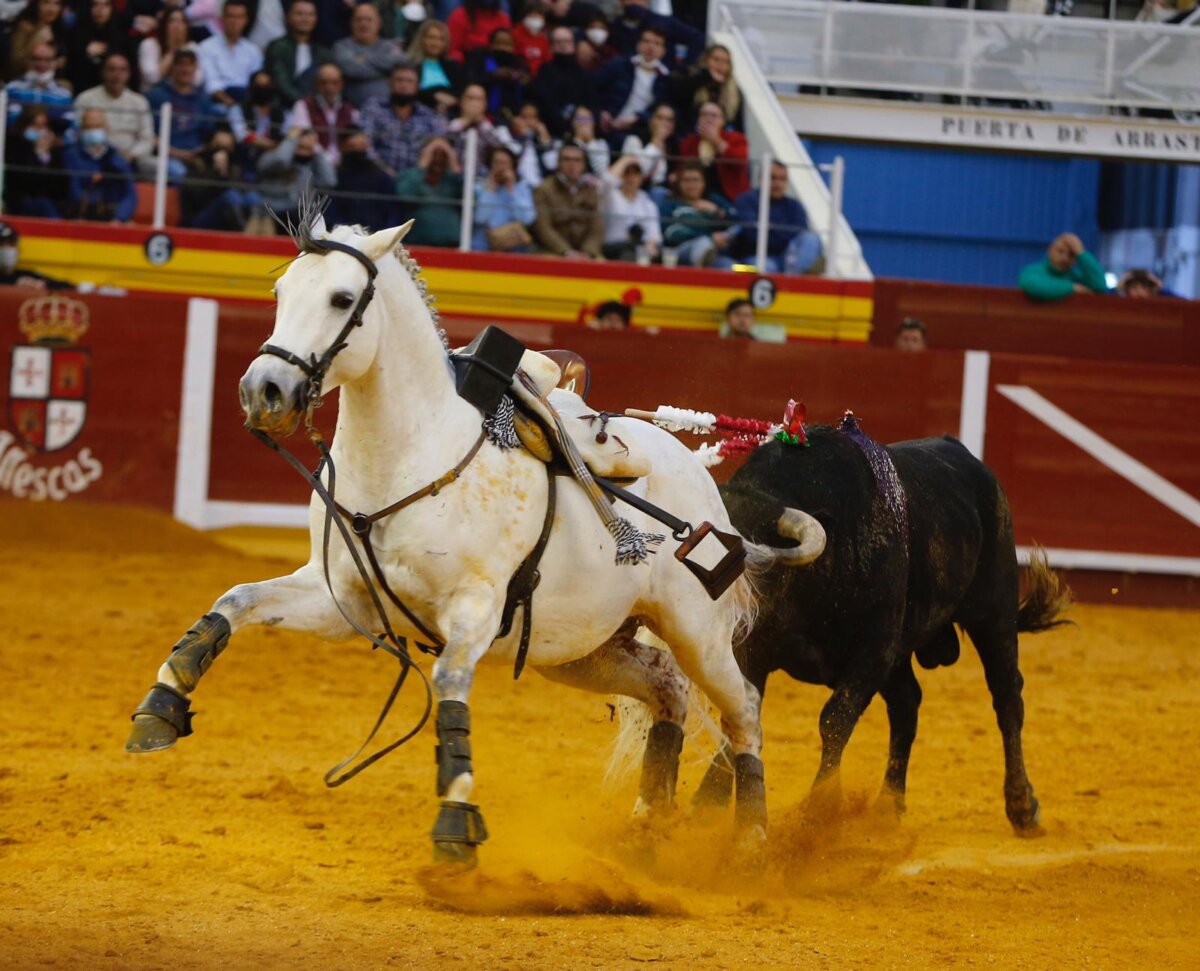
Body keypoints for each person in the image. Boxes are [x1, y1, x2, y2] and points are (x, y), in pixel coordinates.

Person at [715, 161, 822, 274]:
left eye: (782, 179)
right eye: (773, 178)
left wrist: (770, 230)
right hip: (747, 263)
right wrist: (783, 233)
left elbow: (800, 234)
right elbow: (752, 235)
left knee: (811, 238)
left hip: (786, 261)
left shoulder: (794, 206)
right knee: (764, 267)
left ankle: (794, 280)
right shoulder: (746, 201)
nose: (777, 183)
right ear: (761, 179)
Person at [359, 62, 448, 175]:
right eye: (399, 80)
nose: (404, 86)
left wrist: (418, 171)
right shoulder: (374, 107)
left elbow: (440, 140)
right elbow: (365, 142)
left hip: (417, 176)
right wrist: (385, 171)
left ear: (417, 86)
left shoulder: (427, 115)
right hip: (377, 174)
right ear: (390, 83)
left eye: (410, 81)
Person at [75, 53, 155, 170]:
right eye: (111, 69)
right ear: (103, 72)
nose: (117, 75)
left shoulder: (139, 102)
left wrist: (131, 154)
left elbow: (147, 139)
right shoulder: (85, 99)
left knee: (171, 169)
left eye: (122, 70)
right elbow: (76, 133)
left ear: (129, 74)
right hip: (95, 156)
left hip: (133, 158)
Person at [146, 50, 217, 180]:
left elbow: (209, 135)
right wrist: (177, 153)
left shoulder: (203, 99)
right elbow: (149, 135)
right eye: (181, 64)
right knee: (180, 173)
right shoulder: (156, 96)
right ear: (173, 67)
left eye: (190, 65)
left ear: (195, 68)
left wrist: (203, 152)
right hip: (167, 157)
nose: (185, 69)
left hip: (197, 157)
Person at [594, 26, 670, 145]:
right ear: (638, 44)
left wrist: (638, 118)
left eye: (657, 43)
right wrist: (601, 111)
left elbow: (659, 108)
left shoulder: (666, 78)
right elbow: (593, 89)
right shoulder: (619, 65)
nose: (651, 47)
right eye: (646, 41)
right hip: (608, 124)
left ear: (663, 51)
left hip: (641, 129)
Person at [182, 124, 263, 231]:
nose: (222, 153)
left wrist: (224, 172)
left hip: (228, 215)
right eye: (218, 147)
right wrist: (216, 172)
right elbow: (196, 195)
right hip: (201, 214)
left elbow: (240, 189)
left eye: (226, 149)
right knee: (231, 196)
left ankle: (258, 235)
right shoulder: (197, 162)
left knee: (253, 197)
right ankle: (243, 235)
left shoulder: (234, 164)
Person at [64, 109, 137, 222]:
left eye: (98, 126)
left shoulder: (117, 157)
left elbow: (129, 194)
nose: (94, 131)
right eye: (89, 127)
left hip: (113, 217)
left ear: (106, 129)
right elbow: (72, 189)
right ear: (81, 130)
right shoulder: (71, 155)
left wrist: (119, 218)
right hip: (81, 216)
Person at [532, 142, 603, 259]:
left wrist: (588, 251)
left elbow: (596, 227)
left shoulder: (590, 189)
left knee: (604, 266)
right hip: (553, 251)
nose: (572, 164)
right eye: (566, 159)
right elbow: (543, 228)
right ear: (558, 163)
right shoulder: (544, 189)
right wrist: (567, 252)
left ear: (584, 164)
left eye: (577, 160)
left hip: (585, 253)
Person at [657, 160, 732, 267]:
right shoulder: (670, 204)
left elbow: (736, 221)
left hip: (718, 253)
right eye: (686, 180)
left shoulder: (714, 200)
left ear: (704, 182)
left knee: (729, 267)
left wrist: (716, 211)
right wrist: (710, 237)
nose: (691, 185)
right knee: (704, 243)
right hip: (680, 252)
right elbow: (671, 232)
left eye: (696, 180)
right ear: (679, 183)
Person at [395, 135, 464, 247]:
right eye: (434, 154)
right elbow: (405, 196)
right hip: (417, 245)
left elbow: (471, 200)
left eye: (443, 155)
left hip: (451, 246)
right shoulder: (409, 175)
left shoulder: (453, 180)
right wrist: (422, 167)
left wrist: (455, 166)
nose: (438, 159)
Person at [256, 126, 336, 222]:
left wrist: (318, 151)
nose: (304, 152)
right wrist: (291, 140)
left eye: (309, 148)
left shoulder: (314, 163)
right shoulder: (270, 157)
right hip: (273, 212)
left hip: (303, 214)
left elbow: (329, 181)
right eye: (301, 147)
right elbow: (281, 160)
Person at [327, 126, 402, 230]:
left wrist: (385, 233)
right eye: (352, 147)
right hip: (343, 234)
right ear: (342, 147)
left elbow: (393, 212)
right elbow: (331, 213)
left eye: (361, 147)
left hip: (377, 234)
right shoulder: (335, 177)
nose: (358, 151)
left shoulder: (381, 177)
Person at [333, 3, 406, 108]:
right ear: (351, 23)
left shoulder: (390, 47)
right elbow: (351, 69)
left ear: (379, 23)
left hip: (385, 111)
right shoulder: (341, 46)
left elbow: (400, 63)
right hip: (351, 111)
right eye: (359, 20)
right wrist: (384, 70)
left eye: (369, 20)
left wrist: (362, 58)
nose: (363, 24)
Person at [3, 105, 70, 218]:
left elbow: (62, 186)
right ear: (24, 126)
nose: (40, 130)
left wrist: (45, 156)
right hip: (21, 202)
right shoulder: (14, 147)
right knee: (43, 205)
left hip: (51, 203)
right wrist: (38, 154)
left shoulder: (54, 152)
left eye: (43, 125)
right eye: (35, 125)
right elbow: (22, 182)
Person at [264, 0, 334, 106]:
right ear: (287, 17)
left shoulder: (323, 52)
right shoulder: (277, 47)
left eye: (310, 14)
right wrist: (304, 105)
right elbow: (281, 82)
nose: (305, 19)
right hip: (284, 107)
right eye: (299, 14)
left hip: (317, 109)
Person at [678, 99, 750, 201]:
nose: (708, 119)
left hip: (729, 195)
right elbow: (683, 168)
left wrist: (716, 141)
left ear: (723, 121)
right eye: (704, 115)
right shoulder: (689, 142)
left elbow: (740, 163)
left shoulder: (736, 138)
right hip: (695, 195)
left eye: (714, 115)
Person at [529, 25, 593, 139]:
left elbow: (590, 102)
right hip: (553, 128)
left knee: (584, 114)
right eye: (558, 42)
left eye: (567, 41)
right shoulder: (545, 71)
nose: (563, 45)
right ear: (552, 46)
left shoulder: (581, 73)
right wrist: (564, 127)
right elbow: (546, 103)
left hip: (579, 125)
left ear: (573, 44)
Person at [197, 0, 263, 110]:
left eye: (239, 17)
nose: (234, 21)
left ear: (246, 20)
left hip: (246, 103)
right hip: (216, 104)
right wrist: (232, 105)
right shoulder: (206, 47)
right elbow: (211, 83)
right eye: (230, 16)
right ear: (222, 19)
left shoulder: (253, 51)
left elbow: (256, 82)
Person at [607, 0, 703, 72]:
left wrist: (683, 67)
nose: (634, 2)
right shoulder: (614, 27)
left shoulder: (663, 22)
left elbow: (697, 38)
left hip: (662, 81)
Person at [290, 63, 358, 164]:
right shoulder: (303, 105)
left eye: (334, 83)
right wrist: (328, 160)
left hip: (345, 162)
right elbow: (306, 138)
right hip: (316, 162)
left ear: (341, 84)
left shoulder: (350, 110)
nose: (329, 87)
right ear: (316, 84)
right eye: (324, 82)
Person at [472, 144, 536, 252]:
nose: (501, 167)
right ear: (490, 165)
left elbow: (527, 219)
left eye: (505, 163)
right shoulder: (478, 187)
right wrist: (490, 190)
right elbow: (479, 218)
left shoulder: (522, 189)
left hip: (514, 248)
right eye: (497, 162)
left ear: (512, 166)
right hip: (483, 247)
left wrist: (512, 191)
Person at [66, 0, 133, 96]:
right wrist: (85, 52)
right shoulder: (76, 34)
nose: (100, 10)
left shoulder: (121, 35)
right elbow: (70, 68)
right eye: (95, 4)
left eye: (106, 5)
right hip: (83, 90)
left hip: (115, 91)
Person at [1018, 232, 1109, 301]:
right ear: (1050, 250)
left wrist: (1081, 253)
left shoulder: (1077, 277)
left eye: (1071, 254)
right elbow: (1037, 288)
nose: (1065, 258)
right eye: (1060, 251)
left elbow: (1100, 287)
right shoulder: (1033, 271)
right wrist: (1072, 288)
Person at [601, 155, 660, 262]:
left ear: (641, 177)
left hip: (640, 248)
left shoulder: (648, 203)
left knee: (660, 256)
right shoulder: (611, 196)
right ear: (621, 176)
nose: (631, 178)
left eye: (635, 174)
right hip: (614, 246)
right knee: (628, 255)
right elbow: (605, 182)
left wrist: (650, 247)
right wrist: (626, 159)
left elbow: (654, 235)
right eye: (627, 174)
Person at [465, 27, 529, 118]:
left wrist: (525, 82)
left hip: (514, 115)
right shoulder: (480, 59)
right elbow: (471, 81)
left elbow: (529, 91)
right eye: (498, 43)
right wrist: (493, 75)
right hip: (484, 113)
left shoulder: (519, 64)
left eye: (507, 44)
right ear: (490, 45)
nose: (502, 48)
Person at [5, 41, 74, 124]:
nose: (42, 64)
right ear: (29, 60)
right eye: (36, 59)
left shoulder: (63, 95)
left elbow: (69, 125)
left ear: (56, 62)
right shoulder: (13, 88)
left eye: (47, 59)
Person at [406, 18, 465, 114]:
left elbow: (461, 92)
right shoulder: (410, 65)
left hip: (450, 112)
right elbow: (407, 89)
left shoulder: (453, 66)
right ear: (422, 39)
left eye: (441, 39)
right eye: (431, 37)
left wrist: (450, 102)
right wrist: (434, 97)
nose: (435, 43)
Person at [138, 8, 203, 93]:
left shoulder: (192, 47)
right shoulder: (149, 44)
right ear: (164, 25)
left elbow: (198, 80)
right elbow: (152, 78)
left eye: (182, 22)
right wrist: (173, 51)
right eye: (172, 21)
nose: (177, 26)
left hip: (184, 95)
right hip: (154, 94)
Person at [447, 82, 504, 173]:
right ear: (462, 101)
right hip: (452, 175)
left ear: (485, 104)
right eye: (470, 98)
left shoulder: (492, 128)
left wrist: (481, 122)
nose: (474, 103)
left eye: (479, 99)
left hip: (482, 177)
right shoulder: (448, 122)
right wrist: (466, 121)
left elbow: (498, 149)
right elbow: (443, 139)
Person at [618, 100, 674, 189]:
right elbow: (638, 172)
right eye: (660, 118)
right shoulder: (634, 140)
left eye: (669, 120)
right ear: (651, 120)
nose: (664, 123)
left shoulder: (674, 146)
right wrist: (656, 141)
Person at [496, 100, 554, 187]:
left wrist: (545, 138)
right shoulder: (506, 134)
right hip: (516, 185)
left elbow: (551, 165)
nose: (528, 121)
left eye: (532, 117)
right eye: (524, 117)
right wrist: (521, 137)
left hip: (541, 187)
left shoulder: (543, 139)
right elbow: (512, 155)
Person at [0, 222, 73, 290]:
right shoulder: (17, 280)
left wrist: (43, 285)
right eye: (1, 244)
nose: (7, 249)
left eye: (11, 244)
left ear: (18, 249)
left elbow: (67, 287)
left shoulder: (27, 276)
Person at [9, 0, 69, 81]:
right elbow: (16, 63)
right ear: (37, 5)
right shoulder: (25, 27)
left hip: (52, 81)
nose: (51, 9)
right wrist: (36, 40)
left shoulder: (60, 28)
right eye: (46, 3)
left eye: (57, 4)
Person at [544, 104, 609, 177]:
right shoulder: (562, 142)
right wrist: (578, 140)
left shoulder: (601, 143)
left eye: (588, 119)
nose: (584, 122)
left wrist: (591, 141)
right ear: (572, 122)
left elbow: (601, 171)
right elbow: (550, 165)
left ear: (594, 123)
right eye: (580, 118)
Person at [447, 0, 511, 63]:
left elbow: (509, 48)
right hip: (466, 62)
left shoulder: (503, 19)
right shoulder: (459, 15)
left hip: (496, 62)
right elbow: (452, 50)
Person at [511, 0, 550, 79]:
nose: (537, 19)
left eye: (540, 16)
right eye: (533, 16)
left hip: (540, 77)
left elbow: (547, 60)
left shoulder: (543, 39)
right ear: (525, 17)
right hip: (520, 75)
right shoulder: (514, 34)